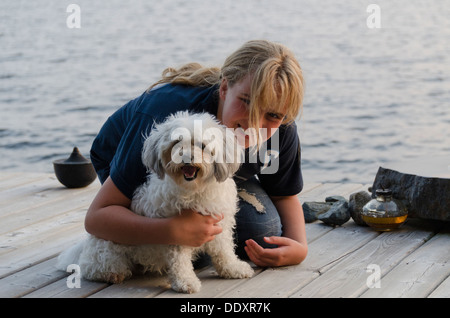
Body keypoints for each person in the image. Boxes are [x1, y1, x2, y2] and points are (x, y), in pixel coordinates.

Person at [86, 40, 307, 268]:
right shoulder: (166, 118)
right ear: (224, 88)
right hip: (136, 163)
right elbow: (96, 218)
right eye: (246, 101)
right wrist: (169, 230)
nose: (254, 123)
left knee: (265, 231)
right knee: (189, 245)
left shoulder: (280, 130)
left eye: (272, 114)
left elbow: (283, 193)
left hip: (212, 175)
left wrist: (299, 247)